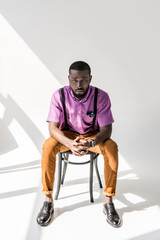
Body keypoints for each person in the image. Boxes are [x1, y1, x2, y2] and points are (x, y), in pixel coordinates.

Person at [36, 61, 121, 227]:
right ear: (69, 78)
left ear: (90, 78)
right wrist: (70, 143)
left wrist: (90, 142)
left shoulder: (101, 96)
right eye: (74, 80)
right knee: (48, 146)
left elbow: (107, 130)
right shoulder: (59, 95)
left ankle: (108, 201)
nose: (79, 84)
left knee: (112, 147)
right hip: (67, 136)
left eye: (83, 80)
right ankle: (48, 200)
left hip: (92, 136)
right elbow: (52, 129)